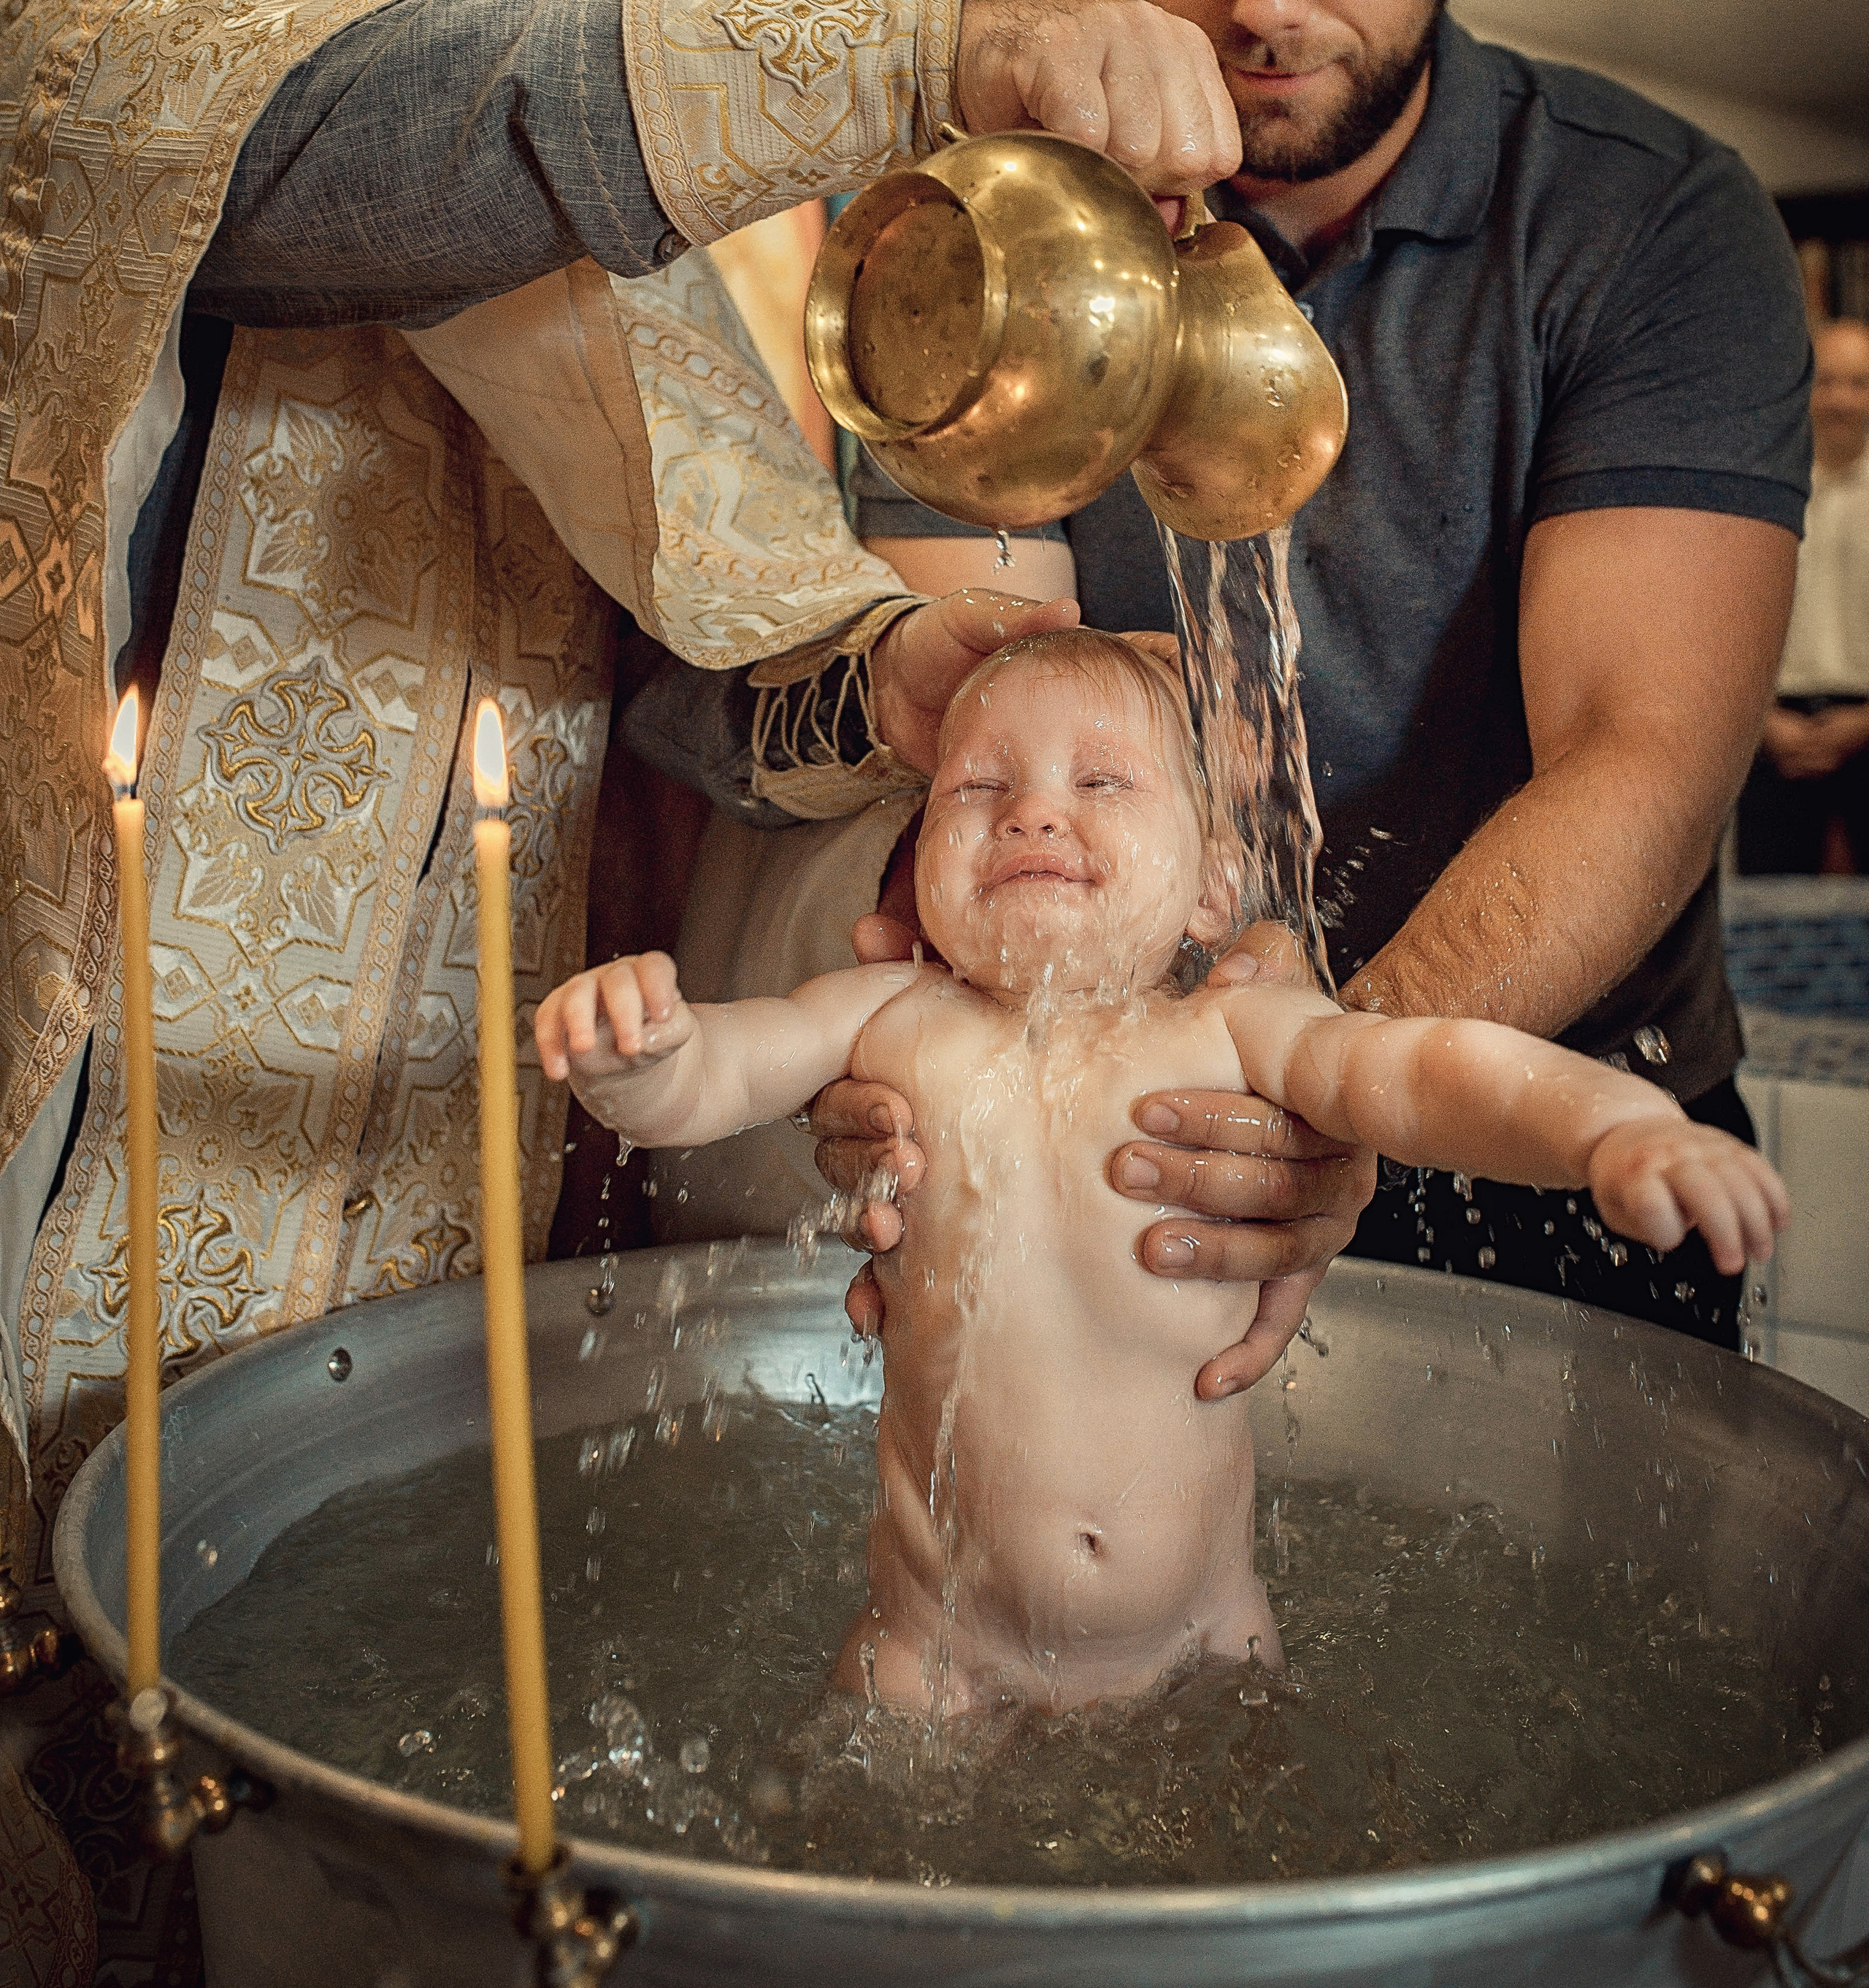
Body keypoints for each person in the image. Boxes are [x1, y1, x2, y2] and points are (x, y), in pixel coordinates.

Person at [0, 0, 1244, 1988]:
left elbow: (697, 626)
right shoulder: (99, 1)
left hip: (443, 1162)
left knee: (331, 1811)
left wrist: (892, 678)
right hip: (73, 1160)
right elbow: (381, 140)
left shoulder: (614, 211)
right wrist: (943, 49)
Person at [809, 0, 1812, 1358]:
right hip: (1127, 1131)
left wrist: (1331, 1077)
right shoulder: (985, 235)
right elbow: (979, 717)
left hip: (1548, 1127)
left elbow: (1638, 754)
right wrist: (913, 1038)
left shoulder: (1645, 221)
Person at [540, 632, 1787, 1713]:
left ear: (1211, 890)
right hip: (936, 1649)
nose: (1033, 813)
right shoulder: (885, 1016)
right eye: (979, 787)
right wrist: (633, 1050)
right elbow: (712, 1078)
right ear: (916, 865)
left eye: (1100, 782)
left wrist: (1610, 1128)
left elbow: (1428, 1073)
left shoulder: (1233, 1036)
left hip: (1208, 1644)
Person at [1737, 318, 1869, 873]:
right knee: (1765, 910)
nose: (1841, 399)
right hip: (1768, 728)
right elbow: (1725, 620)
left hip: (1867, 720)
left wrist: (1862, 723)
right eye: (1828, 381)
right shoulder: (1760, 490)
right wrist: (1762, 722)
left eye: (1859, 383)